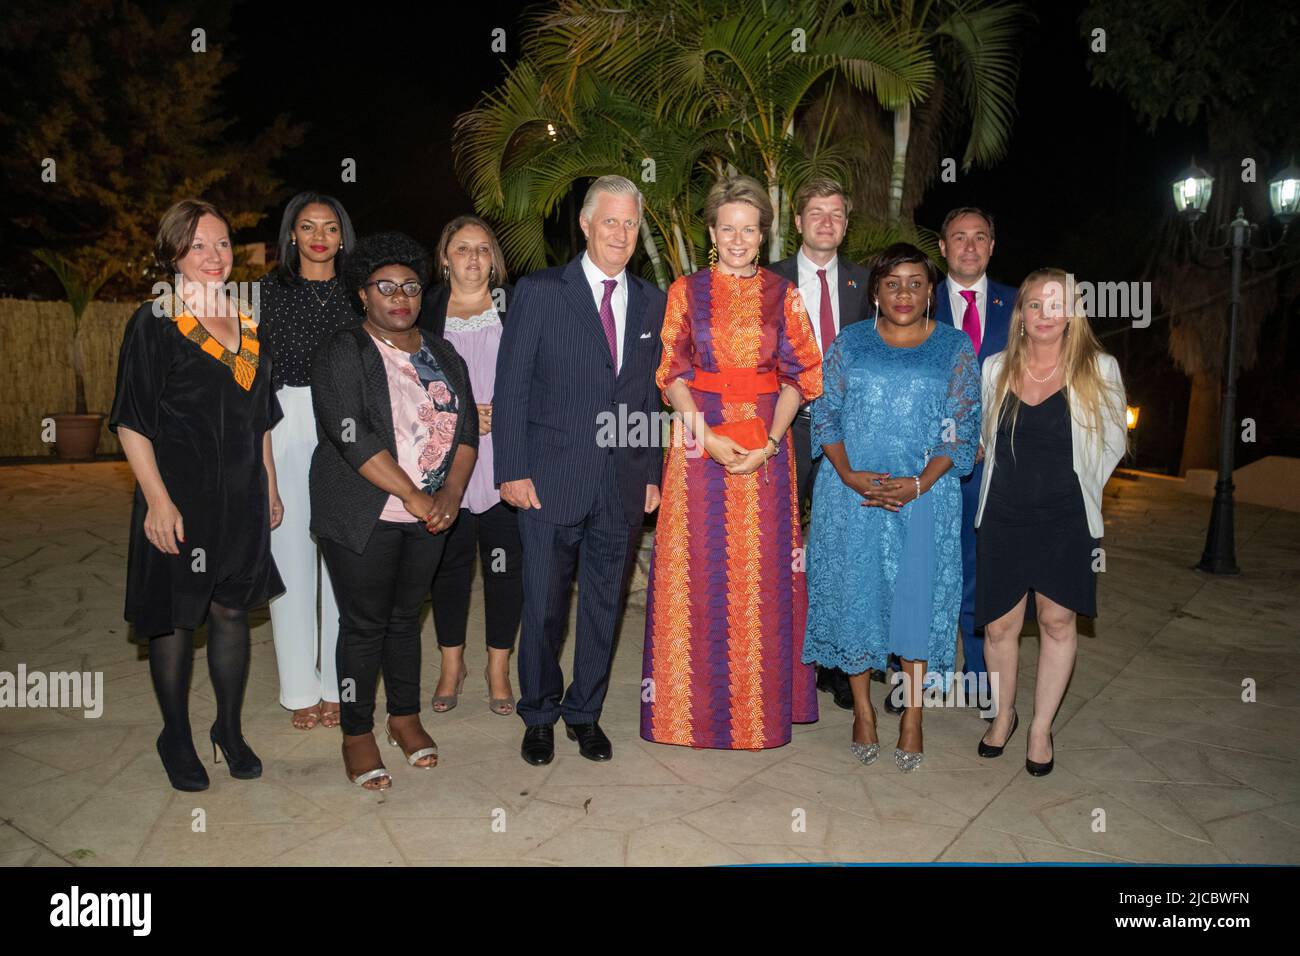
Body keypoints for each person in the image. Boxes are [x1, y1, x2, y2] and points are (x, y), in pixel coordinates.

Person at [642, 175, 823, 751]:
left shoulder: (783, 294)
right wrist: (707, 440)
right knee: (696, 572)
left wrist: (770, 443)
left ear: (764, 233)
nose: (739, 238)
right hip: (698, 450)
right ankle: (683, 716)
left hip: (767, 452)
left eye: (749, 228)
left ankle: (759, 714)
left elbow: (803, 376)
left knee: (763, 578)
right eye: (728, 228)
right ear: (712, 232)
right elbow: (670, 374)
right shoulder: (685, 291)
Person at [109, 199, 284, 791]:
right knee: (177, 619)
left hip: (241, 497)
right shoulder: (154, 319)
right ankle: (175, 735)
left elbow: (259, 416)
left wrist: (270, 485)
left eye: (224, 243)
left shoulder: (249, 318)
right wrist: (157, 501)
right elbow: (132, 421)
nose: (215, 257)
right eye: (199, 245)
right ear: (174, 252)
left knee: (232, 612)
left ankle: (228, 730)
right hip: (178, 498)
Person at [494, 174, 666, 766]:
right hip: (547, 480)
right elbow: (510, 389)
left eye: (630, 223)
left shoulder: (651, 301)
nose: (620, 233)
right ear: (586, 226)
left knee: (602, 606)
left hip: (620, 483)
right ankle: (538, 713)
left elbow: (647, 398)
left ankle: (583, 713)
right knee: (543, 605)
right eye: (610, 221)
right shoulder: (541, 292)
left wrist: (650, 474)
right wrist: (511, 469)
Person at [802, 243, 980, 772]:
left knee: (915, 603)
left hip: (925, 497)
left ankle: (913, 717)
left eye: (916, 283)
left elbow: (963, 425)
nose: (904, 292)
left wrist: (919, 484)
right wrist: (850, 473)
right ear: (876, 291)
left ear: (931, 291)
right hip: (851, 494)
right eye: (893, 283)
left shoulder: (954, 348)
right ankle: (862, 711)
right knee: (858, 597)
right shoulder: (849, 344)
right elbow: (825, 414)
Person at [310, 232, 478, 790]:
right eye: (386, 287)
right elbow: (349, 433)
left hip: (430, 514)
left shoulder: (440, 350)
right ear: (363, 294)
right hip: (364, 510)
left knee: (407, 619)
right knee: (363, 625)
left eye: (409, 286)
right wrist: (412, 494)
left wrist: (450, 494)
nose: (400, 296)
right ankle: (356, 733)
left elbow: (468, 429)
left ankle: (404, 718)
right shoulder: (343, 350)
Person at [974, 268, 1127, 776]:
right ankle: (1004, 717)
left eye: (1055, 304)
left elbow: (1112, 442)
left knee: (1058, 621)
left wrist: (1078, 489)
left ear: (1072, 314)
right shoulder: (995, 368)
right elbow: (982, 438)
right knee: (1000, 625)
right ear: (1021, 313)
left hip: (1064, 517)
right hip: (1003, 513)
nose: (1044, 314)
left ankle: (1040, 729)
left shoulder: (1098, 368)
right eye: (1034, 304)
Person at [770, 176, 870, 713]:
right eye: (816, 212)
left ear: (845, 225)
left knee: (839, 550)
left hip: (847, 437)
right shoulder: (770, 281)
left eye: (836, 213)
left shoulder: (866, 283)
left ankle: (834, 664)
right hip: (784, 429)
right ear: (798, 220)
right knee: (779, 547)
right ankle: (779, 659)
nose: (826, 222)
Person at [260, 191, 358, 732]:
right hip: (286, 419)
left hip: (345, 427)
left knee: (342, 556)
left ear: (343, 236)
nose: (319, 235)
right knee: (291, 554)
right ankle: (300, 688)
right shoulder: (266, 293)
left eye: (329, 226)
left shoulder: (358, 292)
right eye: (306, 226)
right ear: (291, 235)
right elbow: (250, 374)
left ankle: (336, 685)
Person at [416, 215, 521, 716]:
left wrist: (509, 411)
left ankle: (498, 668)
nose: (473, 258)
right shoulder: (425, 308)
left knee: (507, 567)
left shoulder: (515, 305)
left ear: (494, 259)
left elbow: (538, 373)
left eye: (483, 249)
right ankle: (451, 665)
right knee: (449, 568)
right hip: (445, 460)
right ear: (444, 257)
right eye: (462, 249)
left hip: (508, 456)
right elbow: (406, 382)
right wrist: (459, 416)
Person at [925, 207, 1017, 711]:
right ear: (942, 247)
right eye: (958, 237)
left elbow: (1035, 380)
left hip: (997, 468)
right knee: (923, 568)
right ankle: (915, 675)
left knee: (983, 575)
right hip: (929, 466)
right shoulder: (916, 297)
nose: (969, 246)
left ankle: (981, 678)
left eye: (980, 237)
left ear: (992, 245)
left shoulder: (1020, 305)